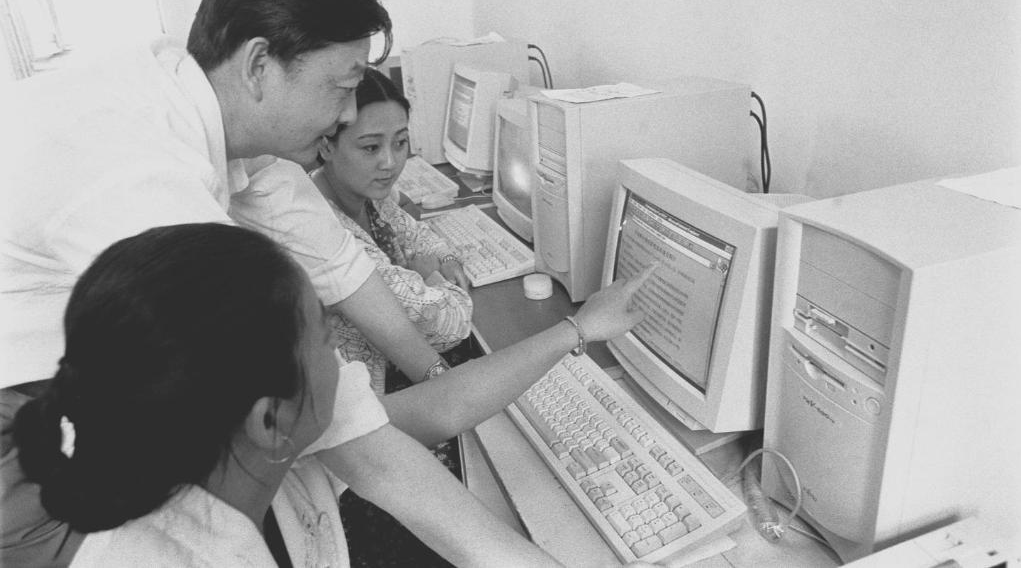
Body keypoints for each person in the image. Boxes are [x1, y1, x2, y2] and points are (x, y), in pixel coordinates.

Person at [12, 223, 659, 567]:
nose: (344, 364)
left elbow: (436, 410)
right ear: (270, 420)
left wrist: (576, 331)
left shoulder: (255, 462)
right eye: (325, 341)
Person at [312, 68, 471, 394]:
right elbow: (451, 324)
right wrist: (432, 276)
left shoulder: (369, 197)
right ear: (326, 146)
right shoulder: (325, 232)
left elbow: (419, 236)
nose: (390, 162)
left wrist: (445, 257)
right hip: (363, 404)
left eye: (399, 143)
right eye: (371, 147)